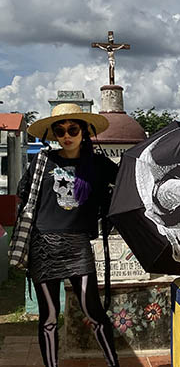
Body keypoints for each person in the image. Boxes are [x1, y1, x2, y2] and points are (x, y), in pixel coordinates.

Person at [20, 103, 119, 367]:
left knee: (93, 310)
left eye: (73, 129)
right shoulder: (44, 161)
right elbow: (24, 194)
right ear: (53, 133)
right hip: (44, 243)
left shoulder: (98, 164)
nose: (67, 135)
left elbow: (125, 183)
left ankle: (113, 363)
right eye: (60, 130)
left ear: (84, 131)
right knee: (49, 316)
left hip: (77, 244)